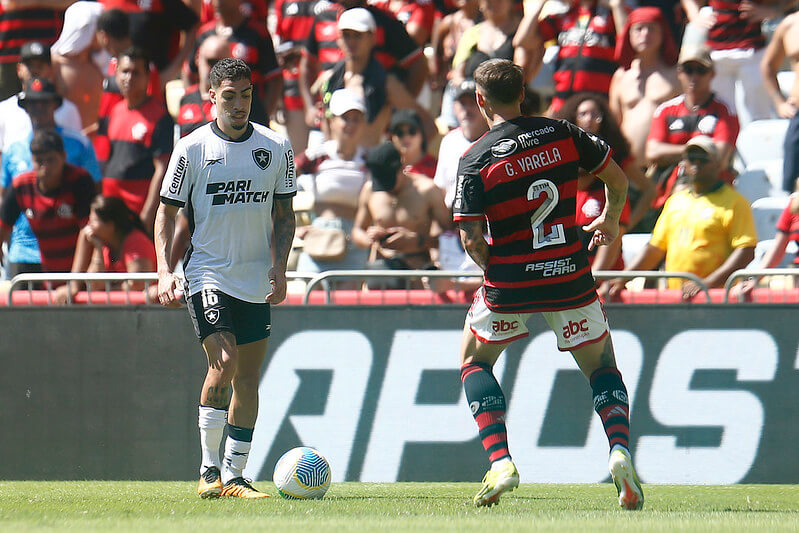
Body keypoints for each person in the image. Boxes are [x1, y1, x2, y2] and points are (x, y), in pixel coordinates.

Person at [453, 59, 642, 510]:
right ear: (523, 93)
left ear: (481, 100)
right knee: (601, 367)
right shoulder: (563, 133)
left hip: (510, 280)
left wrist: (496, 270)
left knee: (473, 363)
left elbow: (470, 236)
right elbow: (619, 180)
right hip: (569, 274)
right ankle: (618, 452)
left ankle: (500, 462)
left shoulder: (474, 157)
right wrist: (609, 221)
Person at [154, 58, 296, 499]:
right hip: (206, 272)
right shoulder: (191, 148)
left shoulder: (275, 147)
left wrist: (281, 266)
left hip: (254, 277)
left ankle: (234, 477)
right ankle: (207, 470)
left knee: (248, 380)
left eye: (246, 95)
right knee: (224, 361)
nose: (239, 104)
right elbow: (166, 212)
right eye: (229, 96)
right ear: (211, 97)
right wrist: (164, 271)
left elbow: (285, 213)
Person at [607, 136, 757, 300]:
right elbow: (655, 249)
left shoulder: (735, 203)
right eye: (691, 158)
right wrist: (623, 278)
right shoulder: (675, 201)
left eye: (703, 159)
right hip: (678, 297)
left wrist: (706, 284)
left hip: (716, 297)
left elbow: (745, 251)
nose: (696, 164)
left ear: (717, 164)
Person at [0, 78, 101, 278]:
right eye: (32, 103)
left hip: (71, 251)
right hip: (23, 250)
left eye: (44, 102)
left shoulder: (80, 143)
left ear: (55, 105)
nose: (38, 108)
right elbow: (4, 197)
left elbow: (96, 192)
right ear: (25, 108)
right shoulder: (13, 148)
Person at [554, 93, 655, 282]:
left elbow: (649, 190)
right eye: (583, 114)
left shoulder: (615, 162)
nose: (589, 119)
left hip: (597, 288)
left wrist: (621, 223)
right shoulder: (561, 191)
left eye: (595, 114)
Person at [316, 7, 437, 147]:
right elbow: (327, 129)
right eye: (346, 35)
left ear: (372, 38)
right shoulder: (329, 80)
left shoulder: (385, 84)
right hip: (334, 165)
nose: (351, 42)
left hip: (368, 165)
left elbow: (428, 126)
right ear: (338, 38)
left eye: (358, 35)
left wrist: (401, 162)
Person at [645, 45, 739, 212]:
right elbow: (653, 153)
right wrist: (696, 151)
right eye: (688, 70)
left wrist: (674, 154)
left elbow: (720, 157)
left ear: (712, 74)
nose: (694, 76)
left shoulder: (725, 111)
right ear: (679, 73)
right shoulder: (665, 110)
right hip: (667, 193)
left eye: (701, 70)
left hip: (713, 194)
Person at [352, 141, 451, 285]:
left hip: (417, 273)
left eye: (390, 181)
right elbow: (357, 230)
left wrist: (417, 241)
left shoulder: (427, 190)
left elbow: (450, 236)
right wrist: (370, 239)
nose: (387, 188)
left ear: (402, 167)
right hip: (381, 272)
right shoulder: (370, 190)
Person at [295, 88, 370, 274]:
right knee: (310, 299)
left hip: (355, 241)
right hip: (318, 238)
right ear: (332, 121)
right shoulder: (316, 155)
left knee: (350, 301)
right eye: (345, 118)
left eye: (356, 119)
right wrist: (294, 229)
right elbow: (281, 180)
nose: (351, 125)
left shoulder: (369, 160)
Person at [0, 129, 96, 274]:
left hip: (83, 274)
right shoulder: (21, 186)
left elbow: (87, 233)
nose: (45, 168)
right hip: (49, 274)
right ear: (31, 160)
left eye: (51, 160)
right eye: (39, 161)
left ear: (63, 157)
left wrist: (74, 283)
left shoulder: (79, 181)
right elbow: (3, 224)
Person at [103, 47, 174, 232]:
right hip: (112, 212)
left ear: (148, 76)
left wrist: (147, 214)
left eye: (136, 73)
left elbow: (163, 169)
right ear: (116, 74)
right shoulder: (115, 111)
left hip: (137, 214)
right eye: (125, 71)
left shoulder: (159, 116)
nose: (129, 78)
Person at [513, 0, 628, 114]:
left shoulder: (614, 14)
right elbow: (522, 41)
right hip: (563, 101)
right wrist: (540, 4)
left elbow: (628, 47)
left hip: (596, 106)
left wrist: (617, 6)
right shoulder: (563, 16)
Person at [682, 0, 774, 124]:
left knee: (756, 117)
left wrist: (773, 11)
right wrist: (694, 15)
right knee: (718, 116)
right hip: (716, 54)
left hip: (752, 52)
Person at [609, 6, 680, 165]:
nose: (645, 34)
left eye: (652, 29)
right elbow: (613, 125)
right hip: (629, 170)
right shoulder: (621, 76)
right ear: (629, 35)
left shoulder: (676, 75)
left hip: (665, 167)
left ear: (663, 34)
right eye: (639, 29)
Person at [54, 195, 157, 304]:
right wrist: (98, 249)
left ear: (110, 225)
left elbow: (137, 284)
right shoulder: (99, 241)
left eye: (94, 220)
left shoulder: (136, 242)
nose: (89, 225)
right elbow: (94, 285)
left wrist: (106, 290)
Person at [0, 41, 82, 152]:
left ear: (51, 70)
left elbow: (77, 152)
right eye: (29, 65)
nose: (35, 70)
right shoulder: (4, 110)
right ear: (19, 70)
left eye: (40, 65)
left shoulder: (68, 109)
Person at [761, 11, 799, 192]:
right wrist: (779, 102)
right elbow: (768, 65)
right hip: (798, 116)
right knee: (793, 189)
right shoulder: (790, 25)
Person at [389, 109, 437, 179]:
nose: (406, 137)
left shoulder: (436, 168)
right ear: (392, 137)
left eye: (412, 131)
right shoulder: (388, 168)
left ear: (422, 135)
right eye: (400, 133)